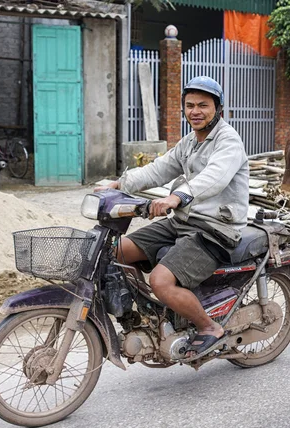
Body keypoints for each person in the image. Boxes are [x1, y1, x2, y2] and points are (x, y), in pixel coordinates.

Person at [96, 76, 249, 358]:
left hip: (216, 230)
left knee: (160, 281)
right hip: (182, 222)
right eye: (190, 105)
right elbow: (157, 170)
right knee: (115, 252)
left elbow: (213, 178)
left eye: (203, 105)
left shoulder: (228, 141)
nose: (195, 111)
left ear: (219, 108)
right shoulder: (189, 142)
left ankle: (209, 327)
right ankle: (153, 313)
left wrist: (175, 197)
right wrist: (118, 185)